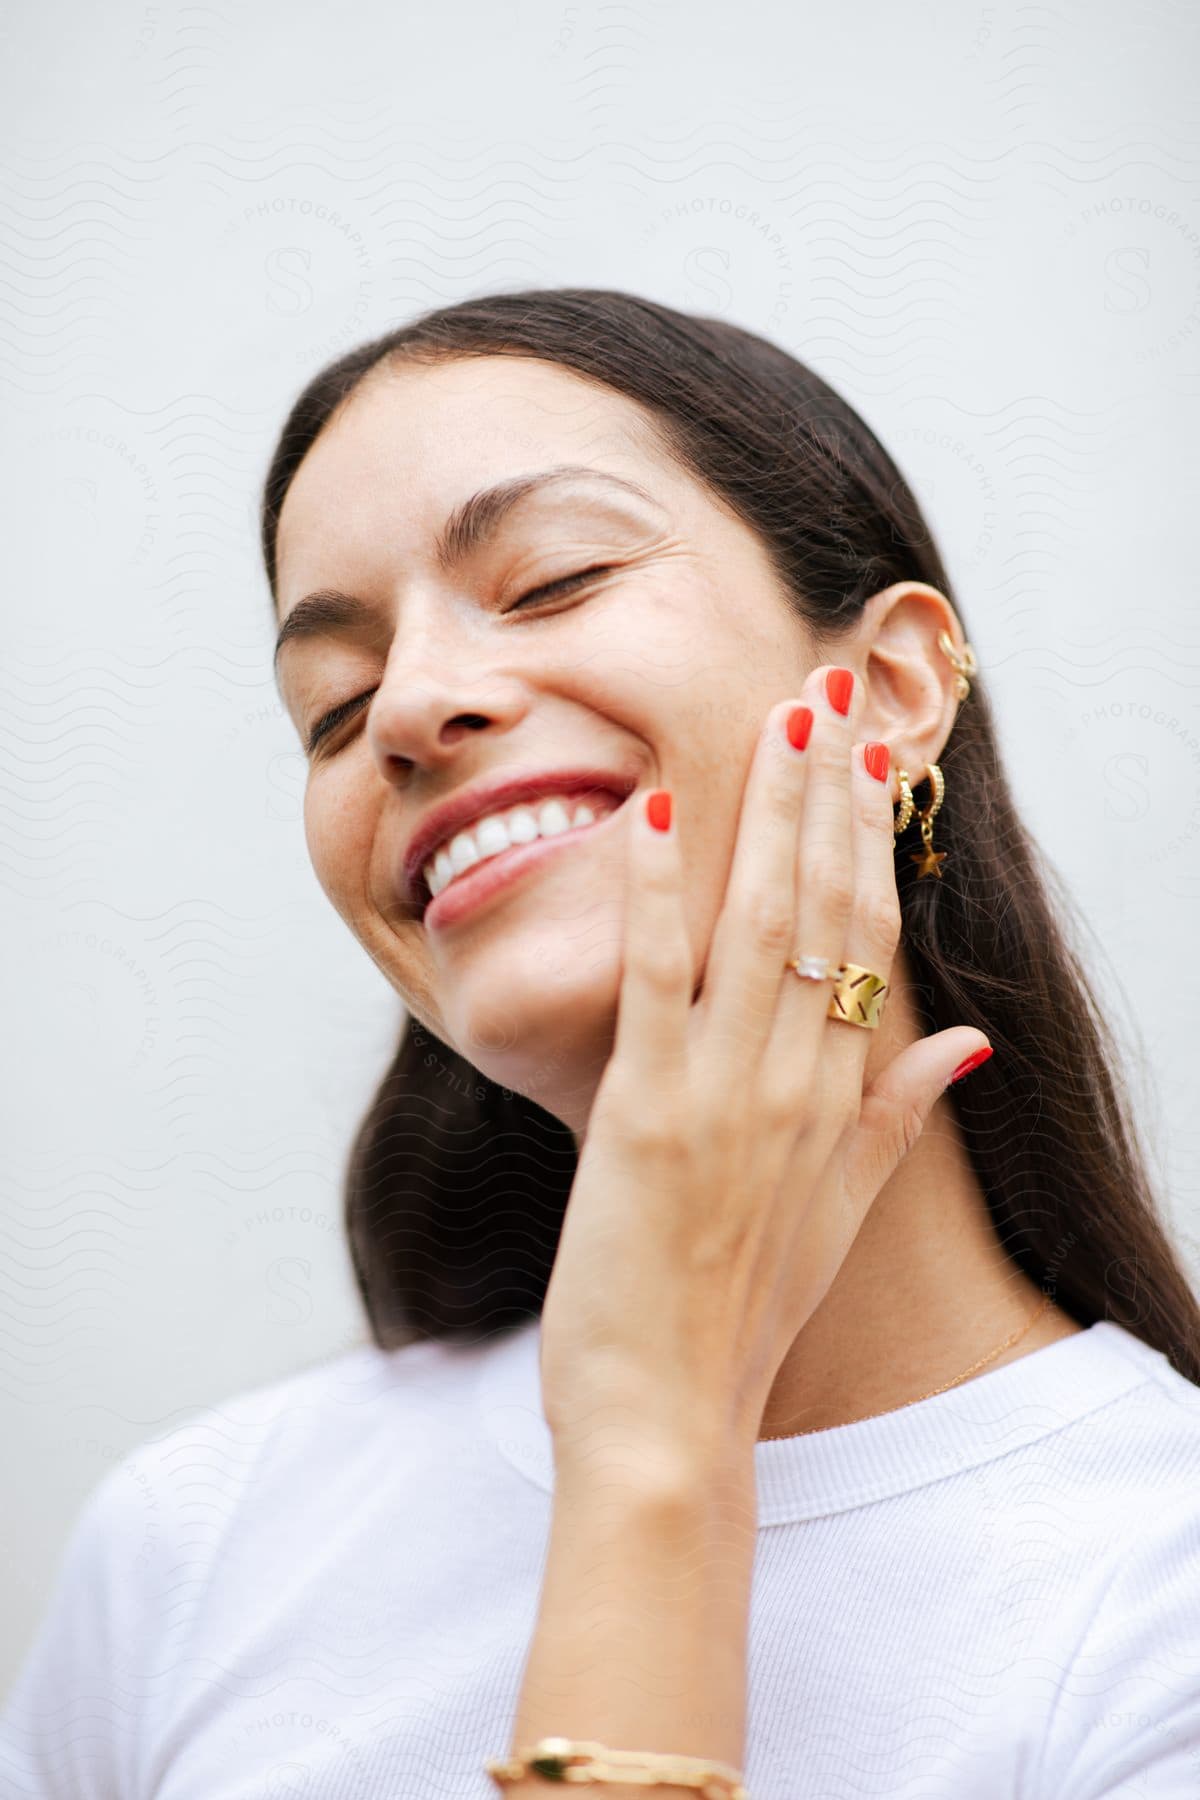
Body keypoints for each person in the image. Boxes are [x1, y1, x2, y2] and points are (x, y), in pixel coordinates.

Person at [3, 288, 1199, 1798]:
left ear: (894, 692)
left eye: (555, 578)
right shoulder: (192, 1542)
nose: (412, 711)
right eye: (333, 702)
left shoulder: (1159, 1597)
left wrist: (656, 1450)